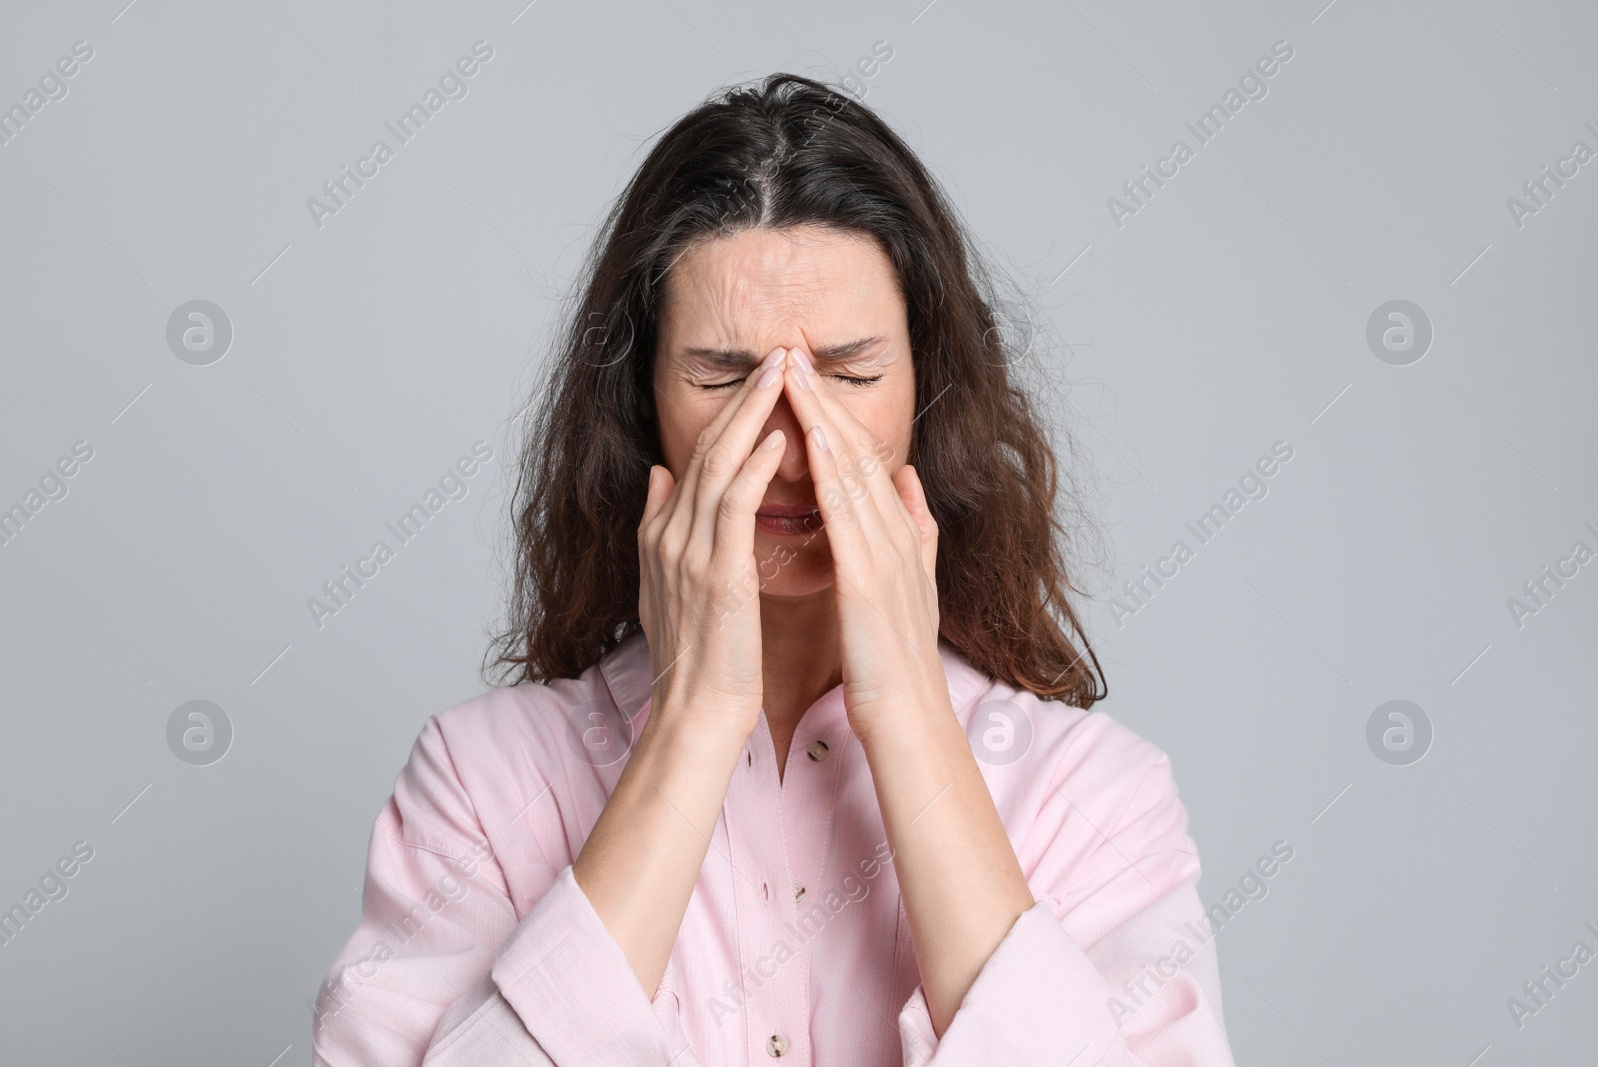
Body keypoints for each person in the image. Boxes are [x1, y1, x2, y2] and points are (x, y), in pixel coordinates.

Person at [312, 72, 1237, 1066]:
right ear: (640, 406)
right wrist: (691, 722)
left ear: (927, 391)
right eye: (723, 378)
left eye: (849, 375)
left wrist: (911, 716)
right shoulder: (481, 782)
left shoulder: (1093, 798)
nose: (793, 440)